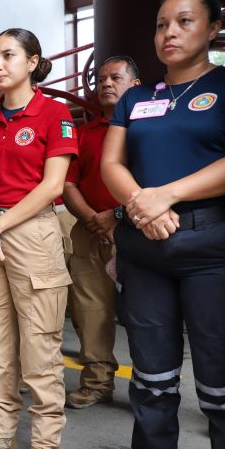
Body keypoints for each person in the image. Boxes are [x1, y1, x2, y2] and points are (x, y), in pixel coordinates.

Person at [101, 0, 225, 449]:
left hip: (211, 248)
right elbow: (111, 163)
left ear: (213, 28)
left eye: (183, 22)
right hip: (144, 248)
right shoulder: (136, 98)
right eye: (161, 25)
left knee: (222, 381)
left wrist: (166, 194)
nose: (169, 33)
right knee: (152, 379)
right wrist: (143, 203)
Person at [0, 29, 77, 449]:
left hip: (31, 232)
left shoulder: (53, 113)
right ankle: (0, 430)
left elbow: (52, 187)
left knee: (40, 345)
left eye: (8, 55)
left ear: (32, 62)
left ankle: (46, 444)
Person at [63, 56, 140, 409]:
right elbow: (67, 183)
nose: (106, 83)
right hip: (88, 230)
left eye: (116, 77)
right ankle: (97, 381)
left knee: (147, 311)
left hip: (139, 230)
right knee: (91, 310)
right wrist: (94, 218)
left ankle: (151, 385)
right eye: (101, 78)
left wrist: (116, 215)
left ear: (135, 85)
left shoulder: (149, 129)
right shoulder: (85, 132)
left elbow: (159, 183)